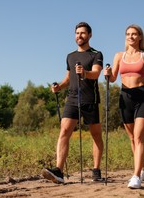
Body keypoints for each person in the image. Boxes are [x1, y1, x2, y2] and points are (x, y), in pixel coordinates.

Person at [42, 22, 104, 184]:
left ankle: (96, 170)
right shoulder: (70, 56)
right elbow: (68, 79)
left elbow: (96, 74)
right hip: (72, 99)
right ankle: (59, 170)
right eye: (77, 33)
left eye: (83, 33)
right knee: (64, 131)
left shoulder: (96, 54)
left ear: (90, 35)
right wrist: (58, 87)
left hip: (90, 99)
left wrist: (85, 73)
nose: (79, 36)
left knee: (96, 135)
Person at [104, 24, 144, 189]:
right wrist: (107, 75)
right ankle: (143, 168)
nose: (131, 37)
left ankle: (136, 176)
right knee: (131, 139)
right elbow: (113, 78)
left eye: (134, 34)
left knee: (138, 138)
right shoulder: (118, 56)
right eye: (128, 34)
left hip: (141, 97)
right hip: (125, 98)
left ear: (140, 37)